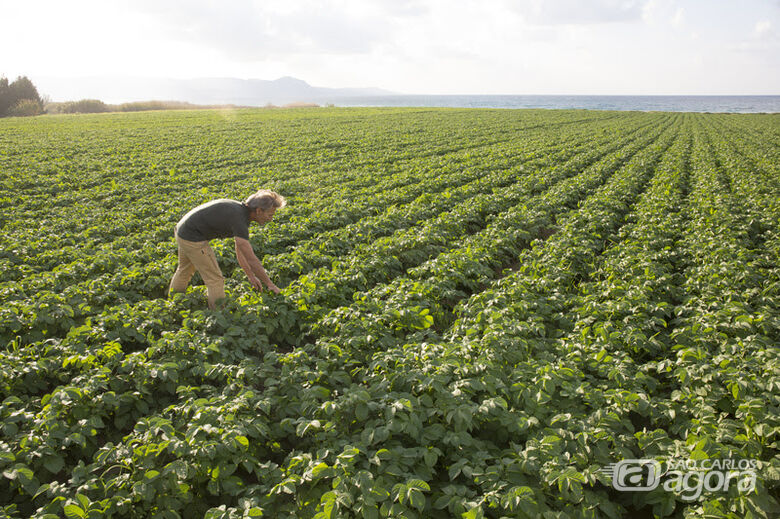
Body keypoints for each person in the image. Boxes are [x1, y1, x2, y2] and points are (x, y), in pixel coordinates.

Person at [169, 189, 286, 308]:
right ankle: (218, 315)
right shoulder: (239, 219)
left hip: (182, 230)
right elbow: (251, 259)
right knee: (215, 280)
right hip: (192, 237)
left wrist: (250, 276)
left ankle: (173, 304)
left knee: (184, 269)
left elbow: (240, 250)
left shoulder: (240, 212)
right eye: (270, 215)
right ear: (259, 211)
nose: (270, 219)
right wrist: (269, 284)